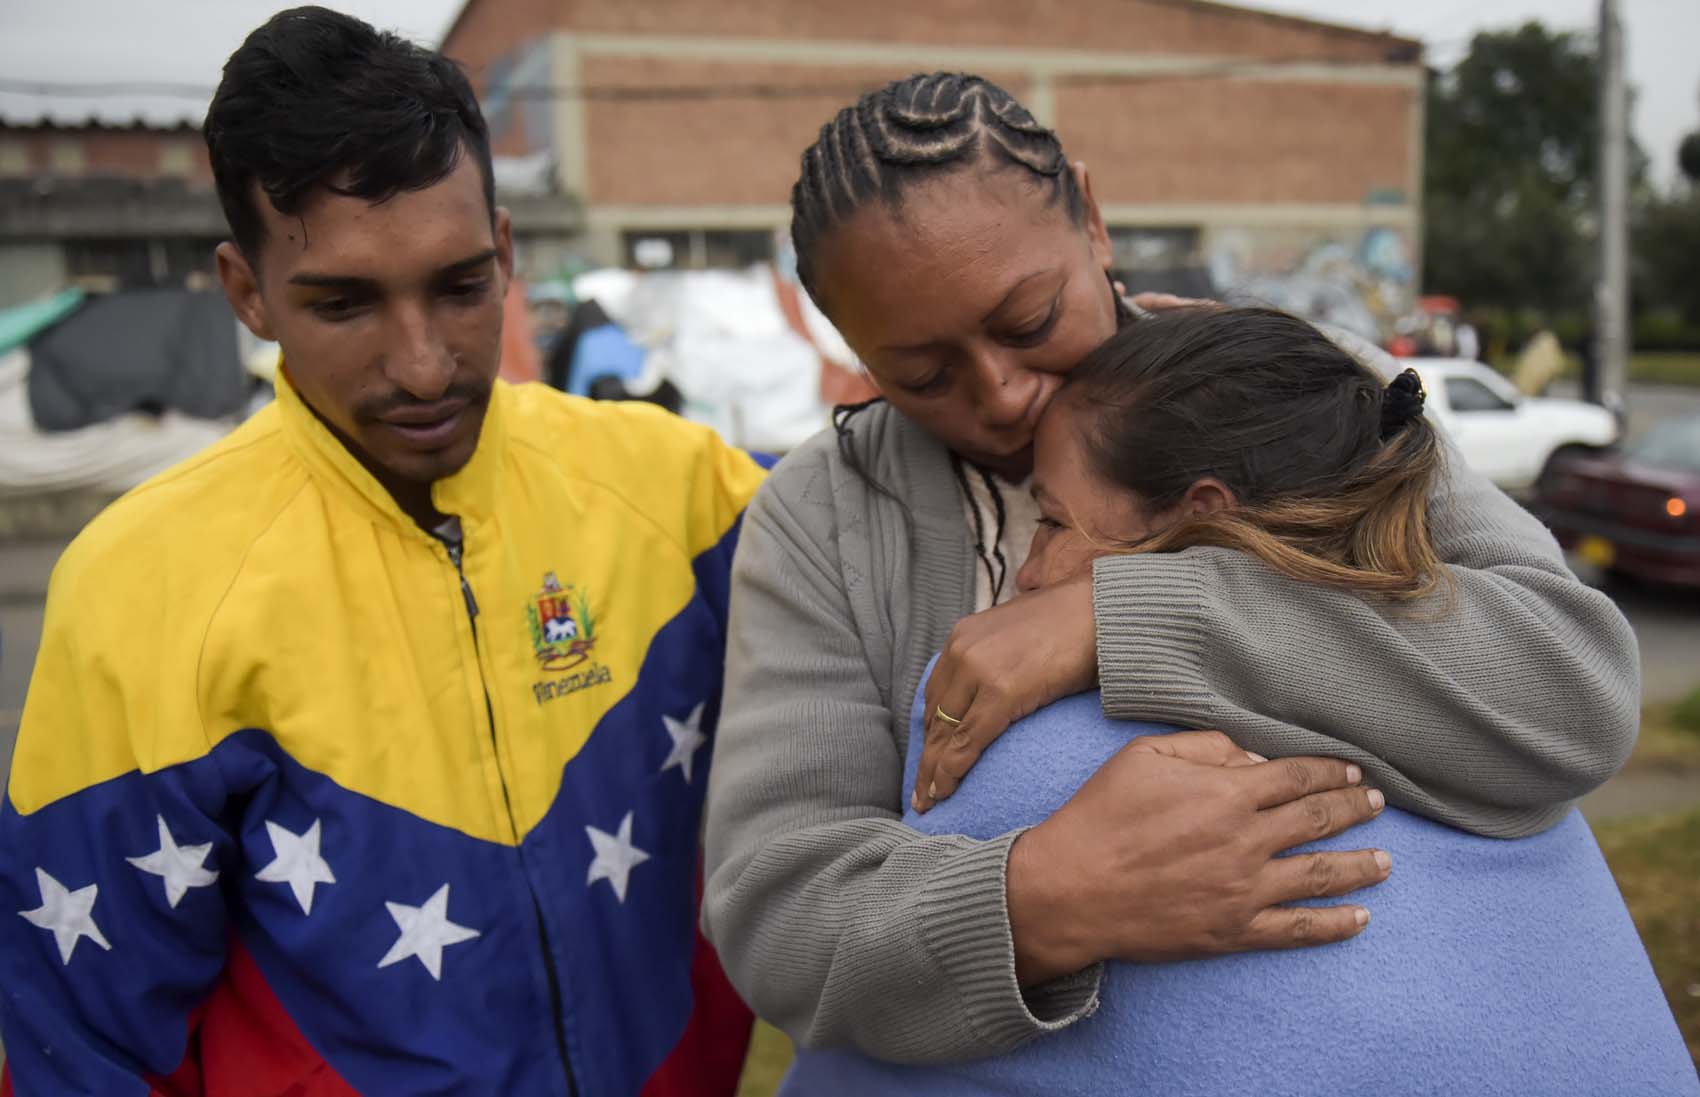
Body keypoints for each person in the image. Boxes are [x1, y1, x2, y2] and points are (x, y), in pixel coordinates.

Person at [702, 72, 1640, 1063]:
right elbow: (775, 908)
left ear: (1093, 222)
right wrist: (1041, 900)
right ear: (848, 343)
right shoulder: (821, 517)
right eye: (921, 375)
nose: (1004, 392)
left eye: (1027, 320)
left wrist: (1125, 620)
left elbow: (1568, 688)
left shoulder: (1293, 384)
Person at [0, 9, 760, 1095]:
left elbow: (921, 605)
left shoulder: (680, 486)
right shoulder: (138, 586)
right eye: (345, 302)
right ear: (246, 291)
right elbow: (83, 1043)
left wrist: (1084, 608)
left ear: (504, 249)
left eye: (458, 286)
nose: (419, 365)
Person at [781, 305, 1697, 1096]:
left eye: (1054, 522)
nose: (1028, 573)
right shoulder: (1488, 725)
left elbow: (829, 1041)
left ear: (1199, 514)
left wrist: (1109, 618)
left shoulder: (1025, 745)